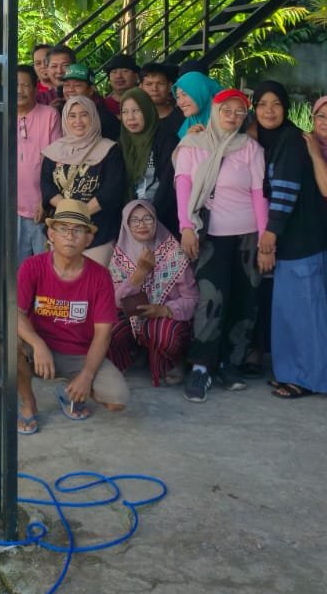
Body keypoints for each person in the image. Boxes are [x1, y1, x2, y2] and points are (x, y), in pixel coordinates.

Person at [175, 88, 267, 402]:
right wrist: (186, 227)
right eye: (226, 110)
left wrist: (265, 239)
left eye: (240, 111)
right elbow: (182, 186)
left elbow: (259, 194)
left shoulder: (250, 148)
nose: (233, 116)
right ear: (214, 111)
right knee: (210, 300)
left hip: (247, 236)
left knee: (245, 299)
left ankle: (231, 363)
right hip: (209, 235)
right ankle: (201, 366)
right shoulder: (192, 145)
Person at [253, 81, 327, 398]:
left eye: (276, 104)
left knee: (307, 312)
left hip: (303, 237)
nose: (269, 111)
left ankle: (309, 378)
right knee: (291, 311)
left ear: (286, 108)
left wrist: (270, 234)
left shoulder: (291, 140)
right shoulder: (267, 140)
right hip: (293, 237)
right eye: (262, 104)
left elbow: (286, 189)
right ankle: (294, 372)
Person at [15, 201, 126, 433]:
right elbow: (16, 314)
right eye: (63, 228)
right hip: (39, 350)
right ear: (51, 234)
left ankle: (68, 393)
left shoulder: (100, 276)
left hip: (79, 354)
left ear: (88, 239)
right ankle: (28, 403)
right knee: (7, 346)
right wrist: (37, 343)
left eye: (78, 230)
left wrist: (87, 374)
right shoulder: (31, 267)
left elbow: (103, 332)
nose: (70, 235)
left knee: (117, 399)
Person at [107, 200, 197, 386]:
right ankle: (133, 354)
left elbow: (192, 298)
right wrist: (140, 273)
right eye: (135, 220)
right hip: (133, 318)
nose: (142, 225)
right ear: (126, 225)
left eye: (148, 218)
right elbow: (115, 301)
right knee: (107, 327)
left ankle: (172, 362)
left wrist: (164, 310)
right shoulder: (119, 256)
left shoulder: (175, 252)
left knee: (163, 333)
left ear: (156, 221)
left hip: (166, 317)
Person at [40, 95, 127, 266]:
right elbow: (47, 186)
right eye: (72, 116)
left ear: (93, 116)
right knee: (61, 281)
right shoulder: (55, 151)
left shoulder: (109, 150)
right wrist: (69, 214)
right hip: (62, 231)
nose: (78, 121)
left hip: (97, 233)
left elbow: (111, 191)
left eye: (84, 115)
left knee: (93, 281)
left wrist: (79, 214)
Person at [15, 64, 62, 262]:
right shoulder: (1, 116)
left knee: (46, 264)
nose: (19, 90)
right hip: (11, 209)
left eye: (25, 85)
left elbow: (57, 161)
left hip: (41, 207)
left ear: (35, 88)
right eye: (15, 85)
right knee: (17, 269)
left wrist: (46, 201)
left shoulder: (50, 115)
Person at [117, 88, 168, 205]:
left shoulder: (165, 140)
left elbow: (168, 186)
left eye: (136, 110)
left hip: (158, 211)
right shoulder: (122, 143)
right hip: (127, 212)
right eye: (125, 112)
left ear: (147, 111)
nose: (130, 117)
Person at [60, 63, 121, 140]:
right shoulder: (60, 111)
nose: (70, 89)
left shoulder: (105, 119)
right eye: (66, 85)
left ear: (91, 90)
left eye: (77, 85)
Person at [172, 69, 218, 137]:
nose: (180, 103)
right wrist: (189, 140)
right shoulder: (186, 127)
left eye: (184, 94)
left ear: (202, 93)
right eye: (178, 97)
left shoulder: (229, 122)